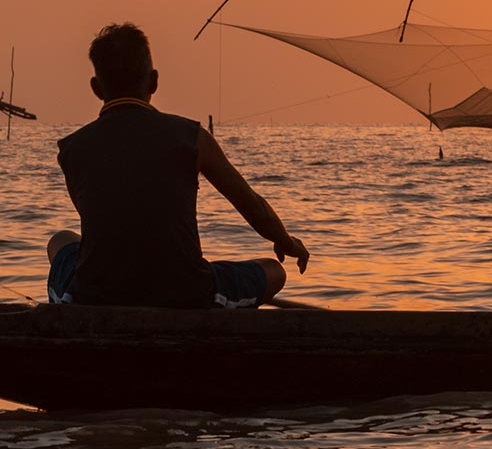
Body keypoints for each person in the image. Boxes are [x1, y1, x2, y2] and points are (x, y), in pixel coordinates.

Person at [47, 23, 309, 309]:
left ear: (96, 88)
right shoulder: (192, 138)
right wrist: (286, 242)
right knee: (274, 270)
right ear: (154, 81)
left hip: (95, 294)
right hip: (188, 292)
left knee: (60, 240)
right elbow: (255, 208)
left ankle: (72, 297)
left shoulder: (72, 149)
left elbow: (105, 221)